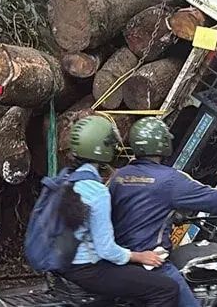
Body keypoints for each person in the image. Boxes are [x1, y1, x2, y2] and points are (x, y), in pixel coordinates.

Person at [109, 117, 217, 307]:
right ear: (163, 143)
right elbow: (216, 200)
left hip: (120, 264)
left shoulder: (119, 177)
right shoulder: (170, 180)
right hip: (151, 264)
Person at [59, 115, 180, 307]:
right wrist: (139, 256)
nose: (115, 148)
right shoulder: (97, 192)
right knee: (167, 289)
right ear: (102, 148)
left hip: (63, 262)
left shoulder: (66, 179)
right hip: (86, 267)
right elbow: (106, 250)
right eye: (111, 144)